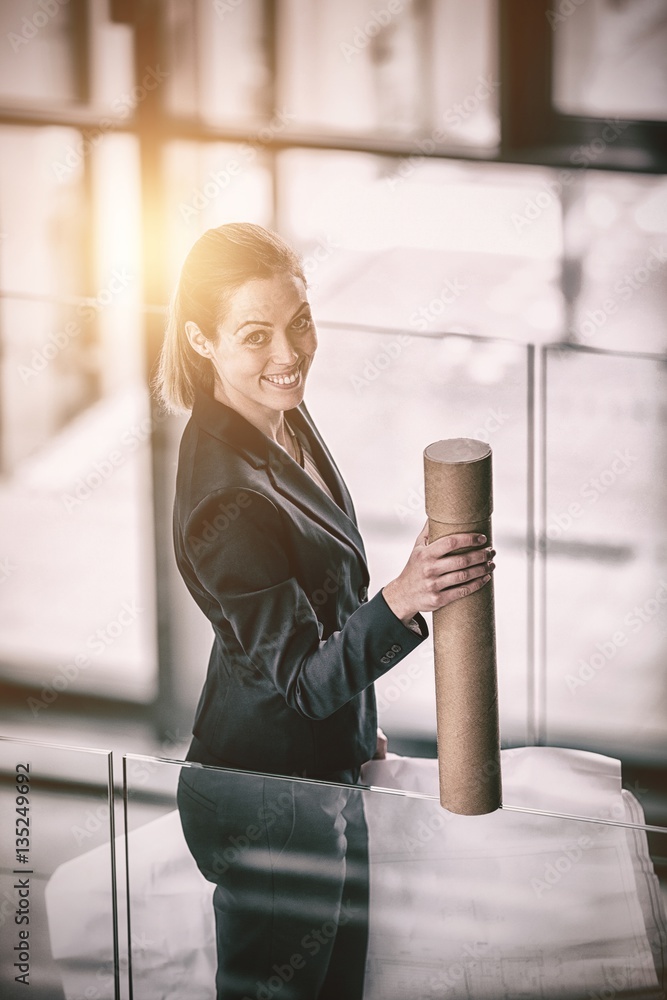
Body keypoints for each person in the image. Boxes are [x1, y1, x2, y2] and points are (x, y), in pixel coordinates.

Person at [154, 223, 495, 999]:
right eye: (255, 335)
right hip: (266, 799)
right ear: (201, 341)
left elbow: (297, 631)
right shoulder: (226, 497)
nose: (289, 354)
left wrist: (347, 727)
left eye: (299, 321)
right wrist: (405, 598)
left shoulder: (276, 417)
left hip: (315, 770)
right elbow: (303, 678)